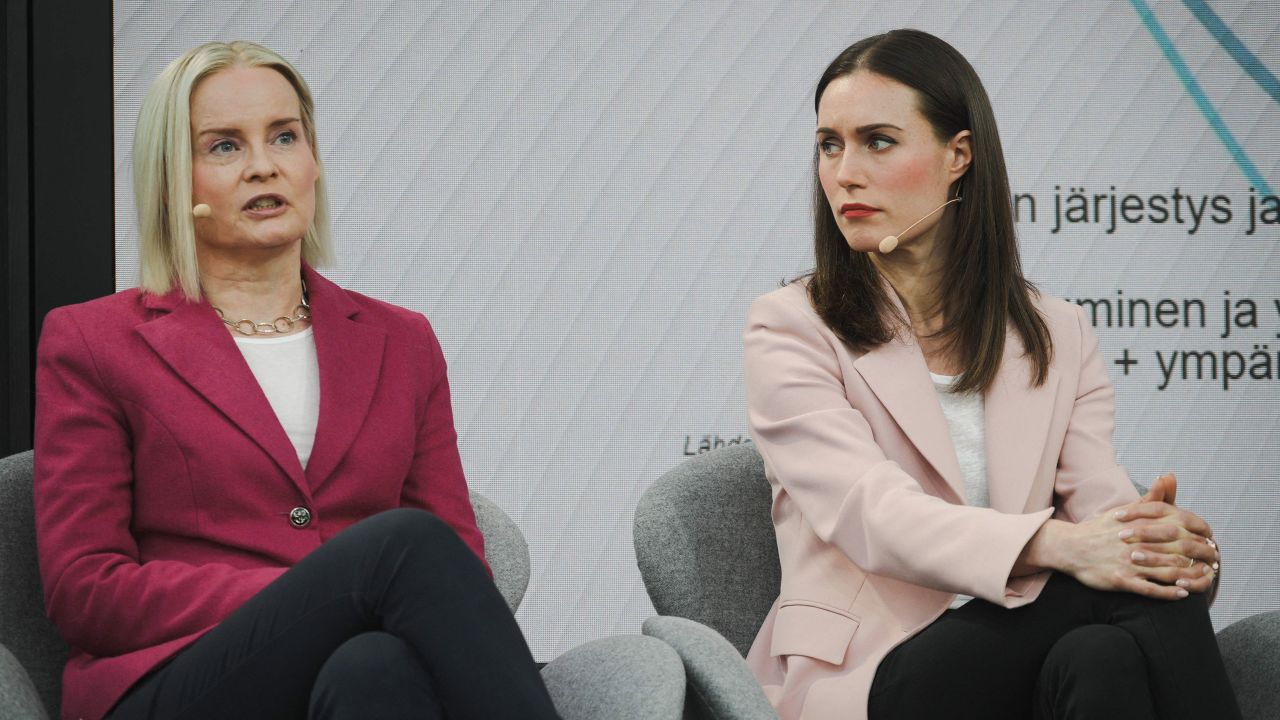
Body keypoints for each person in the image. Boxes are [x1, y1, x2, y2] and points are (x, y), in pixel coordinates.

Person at [34, 41, 560, 720]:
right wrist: (318, 591)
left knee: (378, 670)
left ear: (313, 164)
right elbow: (87, 591)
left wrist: (346, 602)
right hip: (180, 682)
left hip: (349, 673)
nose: (264, 166)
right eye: (224, 147)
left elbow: (461, 560)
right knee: (403, 547)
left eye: (284, 136)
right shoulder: (92, 342)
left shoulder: (403, 341)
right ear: (175, 179)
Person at [742, 29, 1240, 720]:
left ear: (959, 155)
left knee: (1108, 654)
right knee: (1123, 586)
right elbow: (871, 513)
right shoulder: (790, 325)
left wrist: (1172, 546)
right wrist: (1068, 545)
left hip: (1022, 659)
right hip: (874, 677)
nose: (844, 172)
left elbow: (1100, 504)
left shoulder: (1056, 332)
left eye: (877, 141)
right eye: (830, 144)